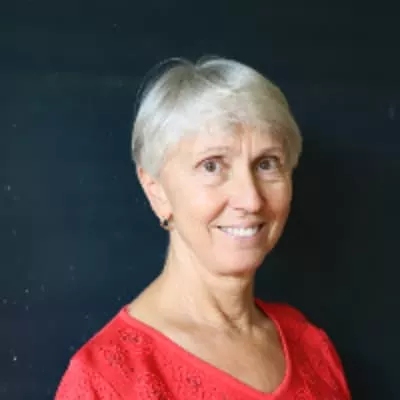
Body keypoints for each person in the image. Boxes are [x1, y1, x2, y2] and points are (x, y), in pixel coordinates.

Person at [55, 56, 351, 399]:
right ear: (156, 190)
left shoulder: (312, 346)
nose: (251, 199)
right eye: (212, 166)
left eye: (266, 164)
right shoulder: (103, 381)